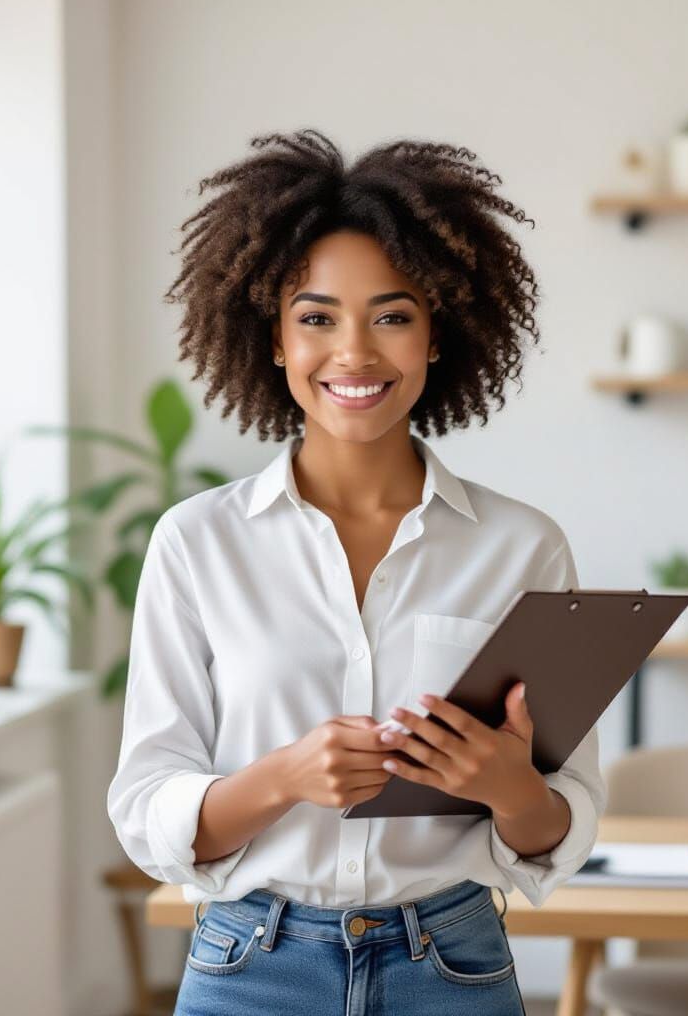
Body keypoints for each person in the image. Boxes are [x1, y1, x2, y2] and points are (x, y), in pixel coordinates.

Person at [107, 129, 605, 1016]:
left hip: (452, 966)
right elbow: (146, 806)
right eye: (316, 317)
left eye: (392, 314)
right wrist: (282, 779)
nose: (355, 353)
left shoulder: (525, 547)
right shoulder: (197, 541)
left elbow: (560, 824)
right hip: (247, 966)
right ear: (271, 340)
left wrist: (507, 787)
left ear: (437, 336)